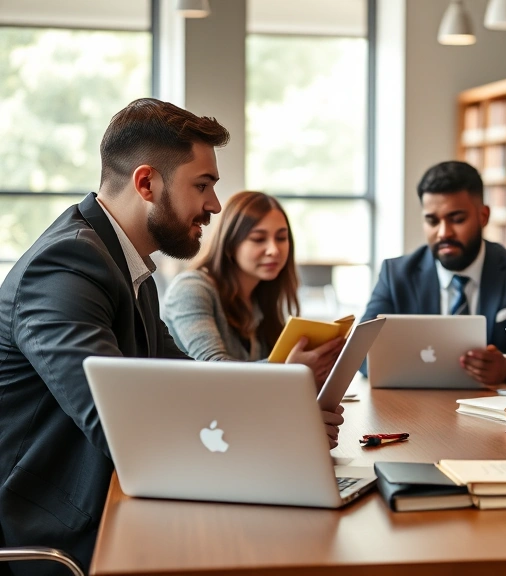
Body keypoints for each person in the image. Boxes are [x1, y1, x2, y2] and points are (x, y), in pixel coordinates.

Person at [0, 99, 332, 574]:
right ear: (146, 183)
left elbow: (190, 381)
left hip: (119, 498)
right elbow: (121, 424)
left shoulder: (129, 270)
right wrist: (277, 432)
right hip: (59, 529)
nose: (215, 205)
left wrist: (289, 418)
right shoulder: (65, 269)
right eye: (203, 186)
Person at [360, 160, 506, 385]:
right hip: (414, 410)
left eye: (457, 219)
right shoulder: (396, 274)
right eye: (432, 221)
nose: (444, 233)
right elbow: (359, 352)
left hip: (490, 408)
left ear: (483, 216)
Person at [161, 191, 343, 385]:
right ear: (230, 244)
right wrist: (290, 370)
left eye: (281, 238)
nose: (274, 250)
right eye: (258, 239)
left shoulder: (261, 296)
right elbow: (212, 369)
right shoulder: (191, 289)